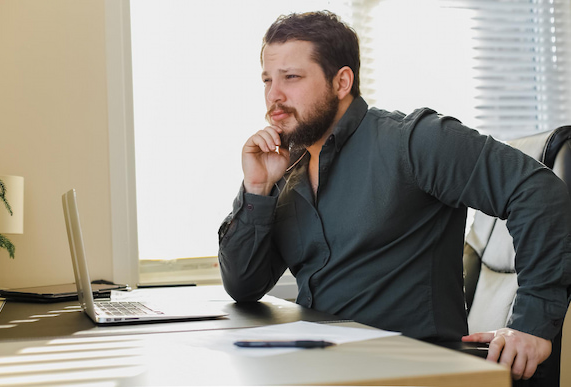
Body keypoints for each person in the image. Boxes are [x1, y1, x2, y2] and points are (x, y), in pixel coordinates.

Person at [217, 11, 571, 383]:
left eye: (291, 77)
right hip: (323, 367)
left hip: (410, 372)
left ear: (341, 82)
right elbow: (244, 286)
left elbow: (538, 190)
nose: (274, 95)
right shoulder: (285, 175)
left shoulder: (414, 141)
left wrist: (533, 324)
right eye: (267, 80)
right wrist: (257, 189)